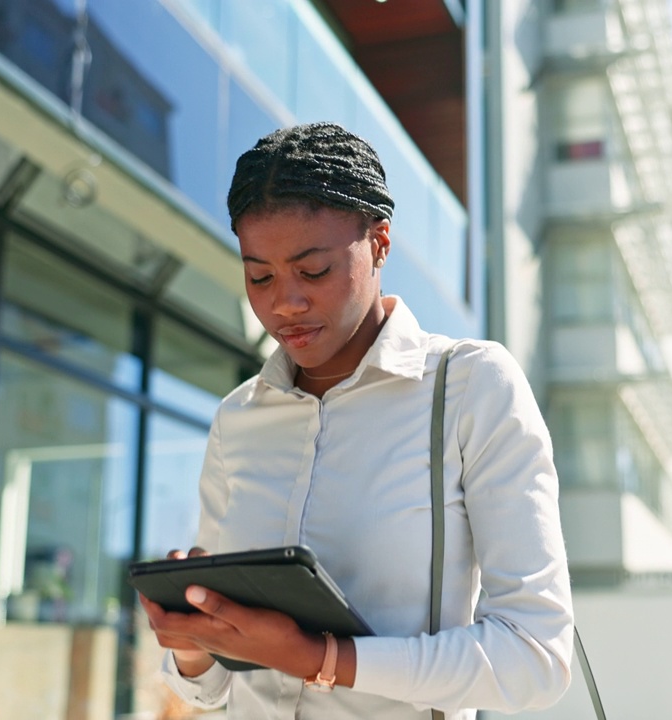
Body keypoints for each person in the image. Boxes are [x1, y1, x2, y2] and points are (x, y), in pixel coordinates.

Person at [140, 122, 574, 719]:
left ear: (379, 244)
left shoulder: (470, 386)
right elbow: (208, 691)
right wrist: (193, 645)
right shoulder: (237, 418)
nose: (283, 302)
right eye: (258, 276)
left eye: (313, 270)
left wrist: (321, 658)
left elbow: (536, 660)